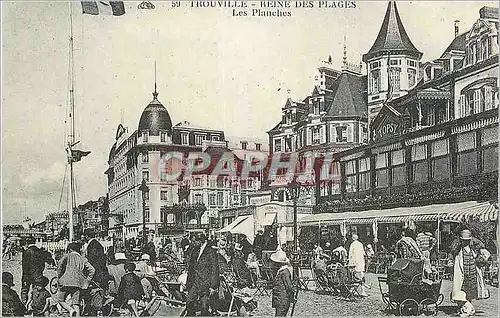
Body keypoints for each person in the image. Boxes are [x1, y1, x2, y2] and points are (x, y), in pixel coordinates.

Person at [450, 229, 490, 316]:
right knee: (461, 290)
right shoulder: (458, 250)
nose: (465, 242)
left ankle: (467, 306)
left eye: (467, 240)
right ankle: (463, 307)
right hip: (462, 275)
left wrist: (481, 261)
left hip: (473, 274)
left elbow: (487, 254)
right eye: (464, 240)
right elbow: (454, 260)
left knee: (471, 292)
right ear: (461, 240)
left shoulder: (475, 249)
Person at [57, 242, 95, 316]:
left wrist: (60, 276)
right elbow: (92, 270)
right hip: (78, 283)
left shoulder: (66, 256)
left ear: (70, 249)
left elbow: (59, 265)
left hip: (65, 282)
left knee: (60, 300)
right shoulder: (82, 258)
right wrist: (87, 281)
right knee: (76, 303)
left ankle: (70, 310)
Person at [185, 233, 220, 316]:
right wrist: (188, 283)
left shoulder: (211, 251)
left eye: (194, 241)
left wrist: (213, 286)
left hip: (206, 284)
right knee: (189, 302)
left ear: (200, 241)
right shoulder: (195, 251)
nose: (192, 243)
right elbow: (191, 268)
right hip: (195, 283)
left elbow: (215, 269)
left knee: (204, 307)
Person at [21, 237, 55, 305]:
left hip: (27, 274)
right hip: (37, 274)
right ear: (35, 242)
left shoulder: (26, 252)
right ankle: (34, 304)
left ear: (27, 243)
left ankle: (24, 304)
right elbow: (49, 261)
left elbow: (25, 265)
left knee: (24, 290)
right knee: (36, 290)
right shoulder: (40, 251)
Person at [270, 250, 295, 317]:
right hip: (279, 300)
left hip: (283, 300)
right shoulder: (280, 271)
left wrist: (292, 297)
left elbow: (289, 287)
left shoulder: (284, 273)